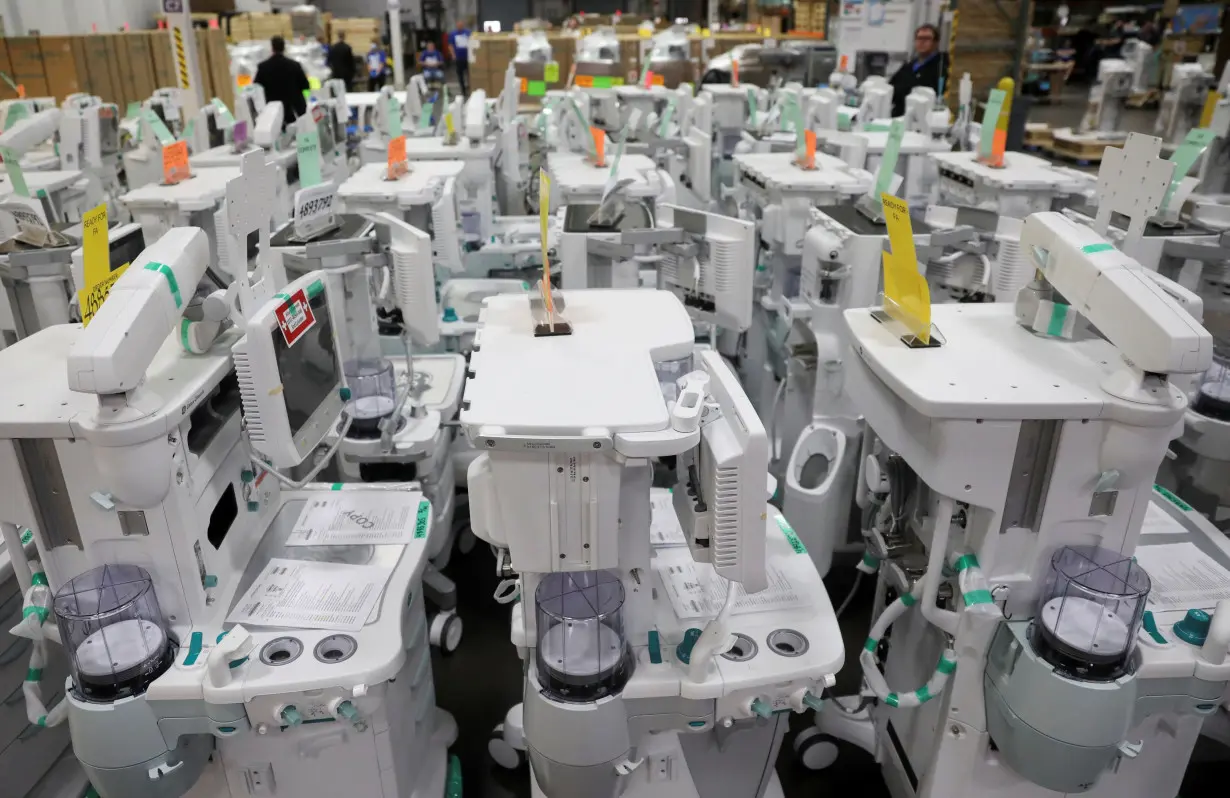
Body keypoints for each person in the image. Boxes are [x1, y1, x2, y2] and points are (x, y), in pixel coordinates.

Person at [888, 24, 950, 117]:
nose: (922, 42)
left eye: (927, 38)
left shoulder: (941, 66)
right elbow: (891, 87)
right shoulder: (909, 65)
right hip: (899, 114)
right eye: (919, 38)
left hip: (922, 116)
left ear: (936, 42)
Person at [254, 35, 309, 126]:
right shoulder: (294, 65)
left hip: (272, 113)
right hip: (293, 111)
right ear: (284, 48)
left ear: (272, 48)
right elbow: (305, 85)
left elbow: (256, 88)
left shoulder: (263, 67)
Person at [448, 20, 472, 96]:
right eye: (458, 25)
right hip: (458, 57)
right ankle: (463, 91)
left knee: (469, 74)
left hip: (467, 57)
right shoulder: (453, 34)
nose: (460, 27)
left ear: (463, 25)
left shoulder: (468, 32)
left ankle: (470, 89)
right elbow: (450, 45)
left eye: (461, 25)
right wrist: (453, 54)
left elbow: (473, 42)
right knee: (460, 75)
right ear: (456, 26)